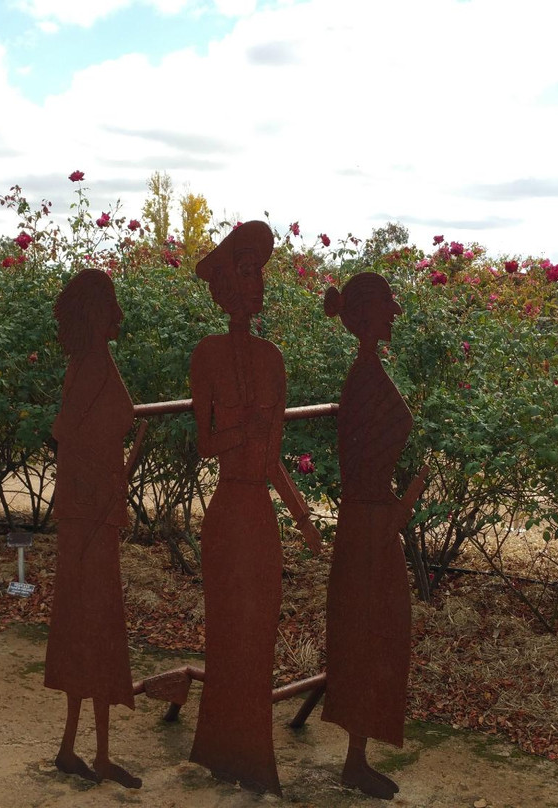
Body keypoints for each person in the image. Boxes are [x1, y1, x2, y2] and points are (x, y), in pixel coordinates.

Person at [188, 221, 322, 796]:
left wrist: (303, 517)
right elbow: (205, 443)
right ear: (225, 285)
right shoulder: (208, 355)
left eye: (260, 273)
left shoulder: (272, 359)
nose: (258, 283)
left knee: (258, 633)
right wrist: (239, 430)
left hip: (259, 515)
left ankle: (253, 752)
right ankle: (223, 747)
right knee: (227, 634)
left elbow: (272, 461)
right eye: (247, 272)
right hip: (227, 511)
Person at [321, 272, 420, 800]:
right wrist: (391, 512)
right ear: (365, 316)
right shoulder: (362, 378)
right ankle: (355, 758)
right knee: (367, 631)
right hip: (368, 523)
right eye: (386, 307)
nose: (393, 315)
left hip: (373, 517)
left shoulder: (367, 372)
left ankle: (358, 753)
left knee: (378, 629)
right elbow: (358, 463)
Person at [44, 269, 141, 789]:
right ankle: (80, 748)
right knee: (90, 629)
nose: (118, 316)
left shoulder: (92, 362)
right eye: (110, 307)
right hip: (87, 519)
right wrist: (98, 475)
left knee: (96, 631)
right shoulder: (89, 366)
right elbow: (69, 432)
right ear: (93, 314)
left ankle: (94, 750)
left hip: (93, 516)